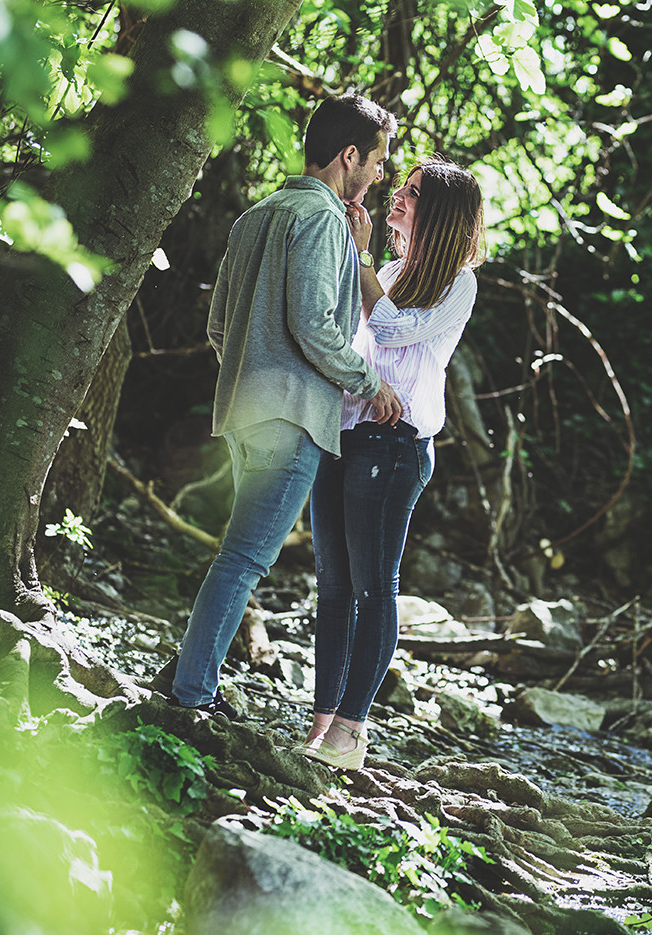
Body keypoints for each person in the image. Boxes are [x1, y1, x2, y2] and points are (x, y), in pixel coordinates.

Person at [164, 93, 405, 716]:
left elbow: (219, 326)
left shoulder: (256, 215)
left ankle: (187, 677)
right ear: (349, 156)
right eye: (377, 162)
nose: (380, 176)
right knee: (243, 560)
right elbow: (315, 325)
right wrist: (369, 383)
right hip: (293, 418)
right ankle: (191, 695)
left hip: (243, 413)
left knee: (236, 556)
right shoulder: (322, 219)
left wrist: (254, 374)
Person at [298, 155, 486, 768]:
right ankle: (322, 723)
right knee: (333, 588)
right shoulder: (393, 269)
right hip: (346, 431)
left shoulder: (459, 282)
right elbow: (346, 337)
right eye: (400, 188)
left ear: (439, 214)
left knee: (375, 588)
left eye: (411, 193)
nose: (397, 198)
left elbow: (393, 333)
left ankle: (352, 731)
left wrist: (363, 260)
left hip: (397, 443)